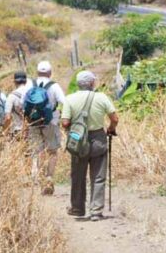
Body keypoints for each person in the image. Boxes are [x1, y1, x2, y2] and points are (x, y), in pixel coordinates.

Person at [61, 70, 118, 221]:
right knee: (98, 176)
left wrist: (74, 131)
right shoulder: (101, 97)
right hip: (98, 138)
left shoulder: (70, 99)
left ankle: (78, 209)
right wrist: (111, 129)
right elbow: (114, 118)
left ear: (78, 83)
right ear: (92, 83)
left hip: (78, 140)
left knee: (78, 176)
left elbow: (65, 122)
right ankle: (96, 211)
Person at [27, 60, 65, 195]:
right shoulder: (54, 86)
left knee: (37, 151)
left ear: (37, 72)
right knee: (52, 152)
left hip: (33, 123)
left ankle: (38, 178)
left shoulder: (29, 84)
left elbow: (21, 104)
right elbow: (63, 102)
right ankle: (49, 178)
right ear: (50, 72)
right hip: (51, 123)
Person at [3, 71, 29, 136]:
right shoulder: (32, 93)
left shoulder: (11, 96)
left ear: (14, 82)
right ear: (26, 81)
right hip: (32, 130)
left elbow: (8, 118)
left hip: (19, 131)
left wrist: (4, 131)